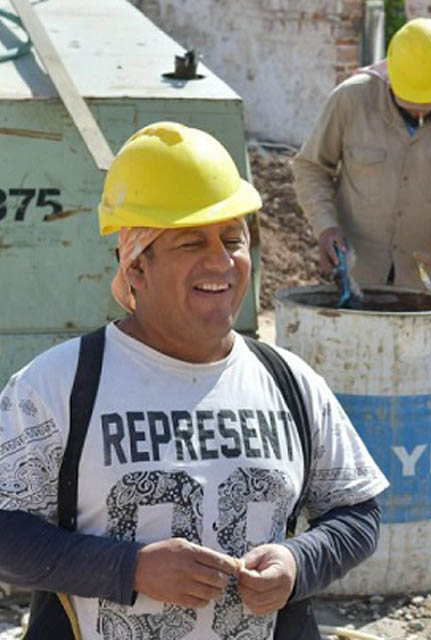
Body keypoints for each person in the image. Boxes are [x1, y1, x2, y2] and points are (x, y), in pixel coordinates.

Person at [0, 121, 389, 640]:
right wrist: (129, 569)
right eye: (191, 243)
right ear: (136, 267)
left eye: (233, 240)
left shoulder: (289, 382)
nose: (221, 262)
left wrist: (298, 563)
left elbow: (358, 513)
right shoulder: (57, 387)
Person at [292, 17, 431, 296]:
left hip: (427, 284)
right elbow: (311, 168)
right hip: (355, 278)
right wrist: (325, 226)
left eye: (428, 107)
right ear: (391, 77)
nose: (418, 114)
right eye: (409, 106)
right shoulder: (350, 101)